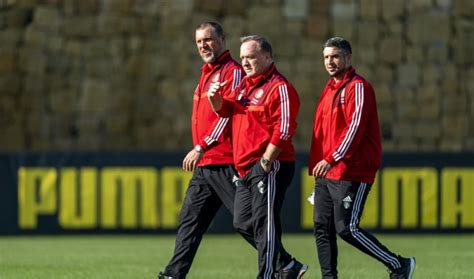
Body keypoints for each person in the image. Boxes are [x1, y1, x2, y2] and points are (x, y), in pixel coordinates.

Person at [158, 22, 304, 279]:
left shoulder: (234, 72)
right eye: (199, 41)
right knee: (190, 222)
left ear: (222, 40)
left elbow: (229, 120)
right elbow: (225, 109)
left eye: (208, 39)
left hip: (226, 160)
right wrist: (214, 106)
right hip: (209, 164)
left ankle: (282, 265)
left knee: (252, 222)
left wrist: (202, 146)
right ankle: (173, 275)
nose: (203, 45)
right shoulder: (207, 73)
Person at [307, 37, 416, 279]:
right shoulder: (329, 88)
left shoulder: (358, 87)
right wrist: (319, 163)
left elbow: (354, 128)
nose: (330, 61)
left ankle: (398, 264)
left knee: (347, 228)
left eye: (335, 56)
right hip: (327, 172)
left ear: (348, 57)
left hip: (351, 169)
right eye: (326, 57)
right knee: (322, 229)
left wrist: (332, 157)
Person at [208, 35, 308, 279]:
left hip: (270, 164)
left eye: (250, 57)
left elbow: (284, 129)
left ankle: (268, 274)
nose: (245, 62)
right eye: (242, 57)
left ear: (267, 57)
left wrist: (265, 161)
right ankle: (287, 265)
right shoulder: (243, 85)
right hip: (245, 168)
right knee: (243, 223)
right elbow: (227, 111)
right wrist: (215, 100)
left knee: (265, 223)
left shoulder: (279, 87)